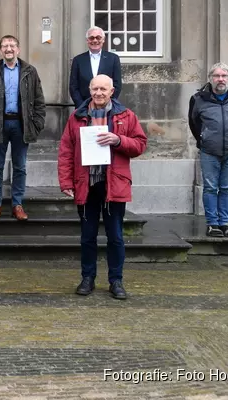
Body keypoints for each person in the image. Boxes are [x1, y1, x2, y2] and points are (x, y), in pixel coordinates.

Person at [57, 74, 147, 300]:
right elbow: (66, 150)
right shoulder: (77, 116)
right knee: (87, 237)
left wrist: (119, 140)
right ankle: (87, 278)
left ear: (112, 91)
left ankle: (116, 281)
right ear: (89, 90)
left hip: (113, 184)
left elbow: (140, 145)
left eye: (103, 89)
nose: (98, 93)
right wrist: (66, 181)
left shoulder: (126, 116)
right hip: (86, 184)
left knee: (115, 236)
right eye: (95, 89)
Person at [0, 35, 46, 221]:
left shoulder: (30, 72)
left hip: (21, 124)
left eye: (12, 45)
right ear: (0, 50)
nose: (9, 49)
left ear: (18, 49)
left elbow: (39, 100)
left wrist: (37, 123)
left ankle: (17, 205)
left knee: (20, 166)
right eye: (5, 46)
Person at [189, 62, 228, 238]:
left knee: (227, 188)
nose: (220, 79)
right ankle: (212, 224)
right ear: (210, 79)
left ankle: (224, 223)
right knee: (209, 188)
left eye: (224, 76)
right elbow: (195, 124)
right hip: (209, 151)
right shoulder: (198, 99)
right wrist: (205, 138)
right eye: (217, 76)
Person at [69, 26, 122, 108]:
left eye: (98, 37)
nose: (95, 40)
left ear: (103, 40)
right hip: (83, 107)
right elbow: (73, 86)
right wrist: (82, 106)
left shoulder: (113, 59)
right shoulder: (78, 60)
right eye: (91, 38)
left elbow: (117, 84)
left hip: (107, 108)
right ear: (87, 40)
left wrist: (107, 104)